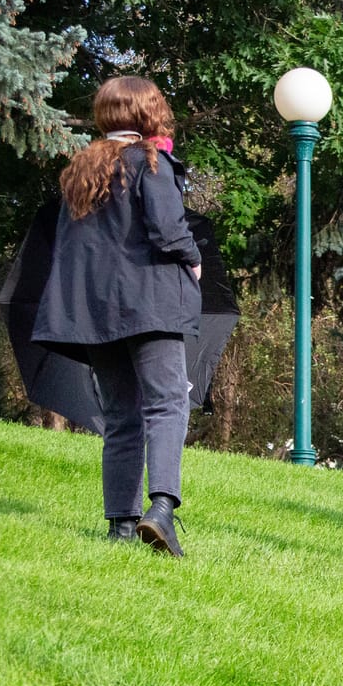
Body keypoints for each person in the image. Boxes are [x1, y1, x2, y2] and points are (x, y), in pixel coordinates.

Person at [33, 76, 202, 555]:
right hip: (150, 304)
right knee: (168, 403)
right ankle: (163, 509)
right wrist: (194, 259)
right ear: (148, 113)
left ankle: (120, 527)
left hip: (93, 313)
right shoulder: (151, 161)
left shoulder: (81, 171)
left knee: (121, 415)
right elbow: (168, 229)